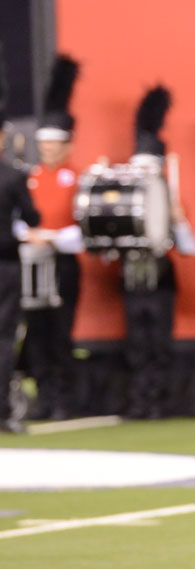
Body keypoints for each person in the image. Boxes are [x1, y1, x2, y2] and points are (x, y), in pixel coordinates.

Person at [122, 86, 195, 419]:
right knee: (136, 345)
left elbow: (191, 249)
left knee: (159, 344)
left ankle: (159, 401)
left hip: (161, 281)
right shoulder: (123, 201)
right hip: (130, 281)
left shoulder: (170, 202)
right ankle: (138, 402)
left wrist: (179, 223)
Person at [20, 55, 84, 421]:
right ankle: (43, 395)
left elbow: (82, 231)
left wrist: (52, 238)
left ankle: (64, 398)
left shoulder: (78, 179)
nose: (46, 149)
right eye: (42, 144)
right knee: (37, 333)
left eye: (53, 144)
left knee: (60, 332)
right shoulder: (29, 177)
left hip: (61, 264)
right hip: (32, 263)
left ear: (67, 145)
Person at [0, 46, 42, 433]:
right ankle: (2, 412)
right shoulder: (12, 176)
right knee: (4, 337)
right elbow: (33, 217)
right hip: (6, 265)